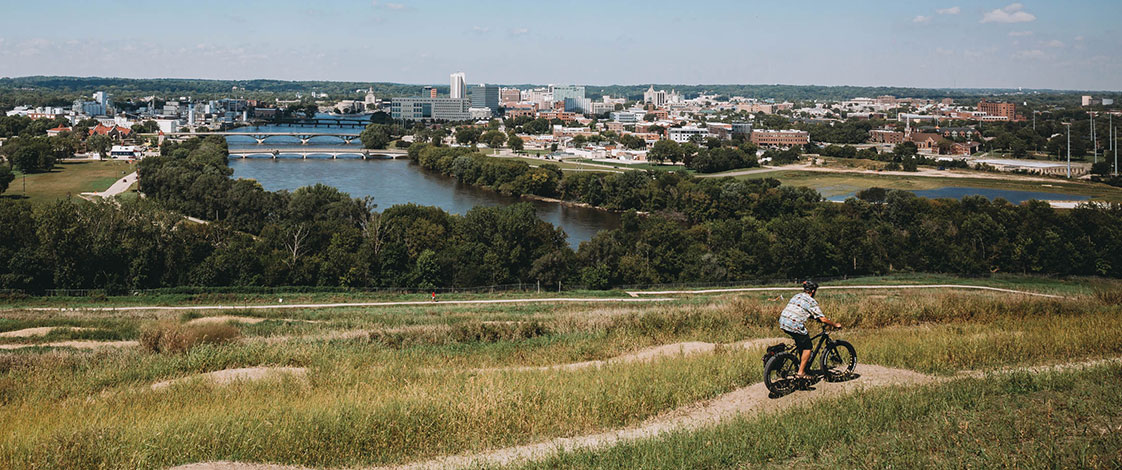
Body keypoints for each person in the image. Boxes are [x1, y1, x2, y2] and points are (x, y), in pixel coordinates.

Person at [779, 280, 842, 380]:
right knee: (808, 347)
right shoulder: (811, 301)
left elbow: (799, 310)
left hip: (783, 321)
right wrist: (835, 325)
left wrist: (814, 318)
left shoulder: (797, 296)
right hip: (794, 324)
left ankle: (801, 366)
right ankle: (801, 373)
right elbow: (823, 319)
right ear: (812, 291)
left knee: (801, 344)